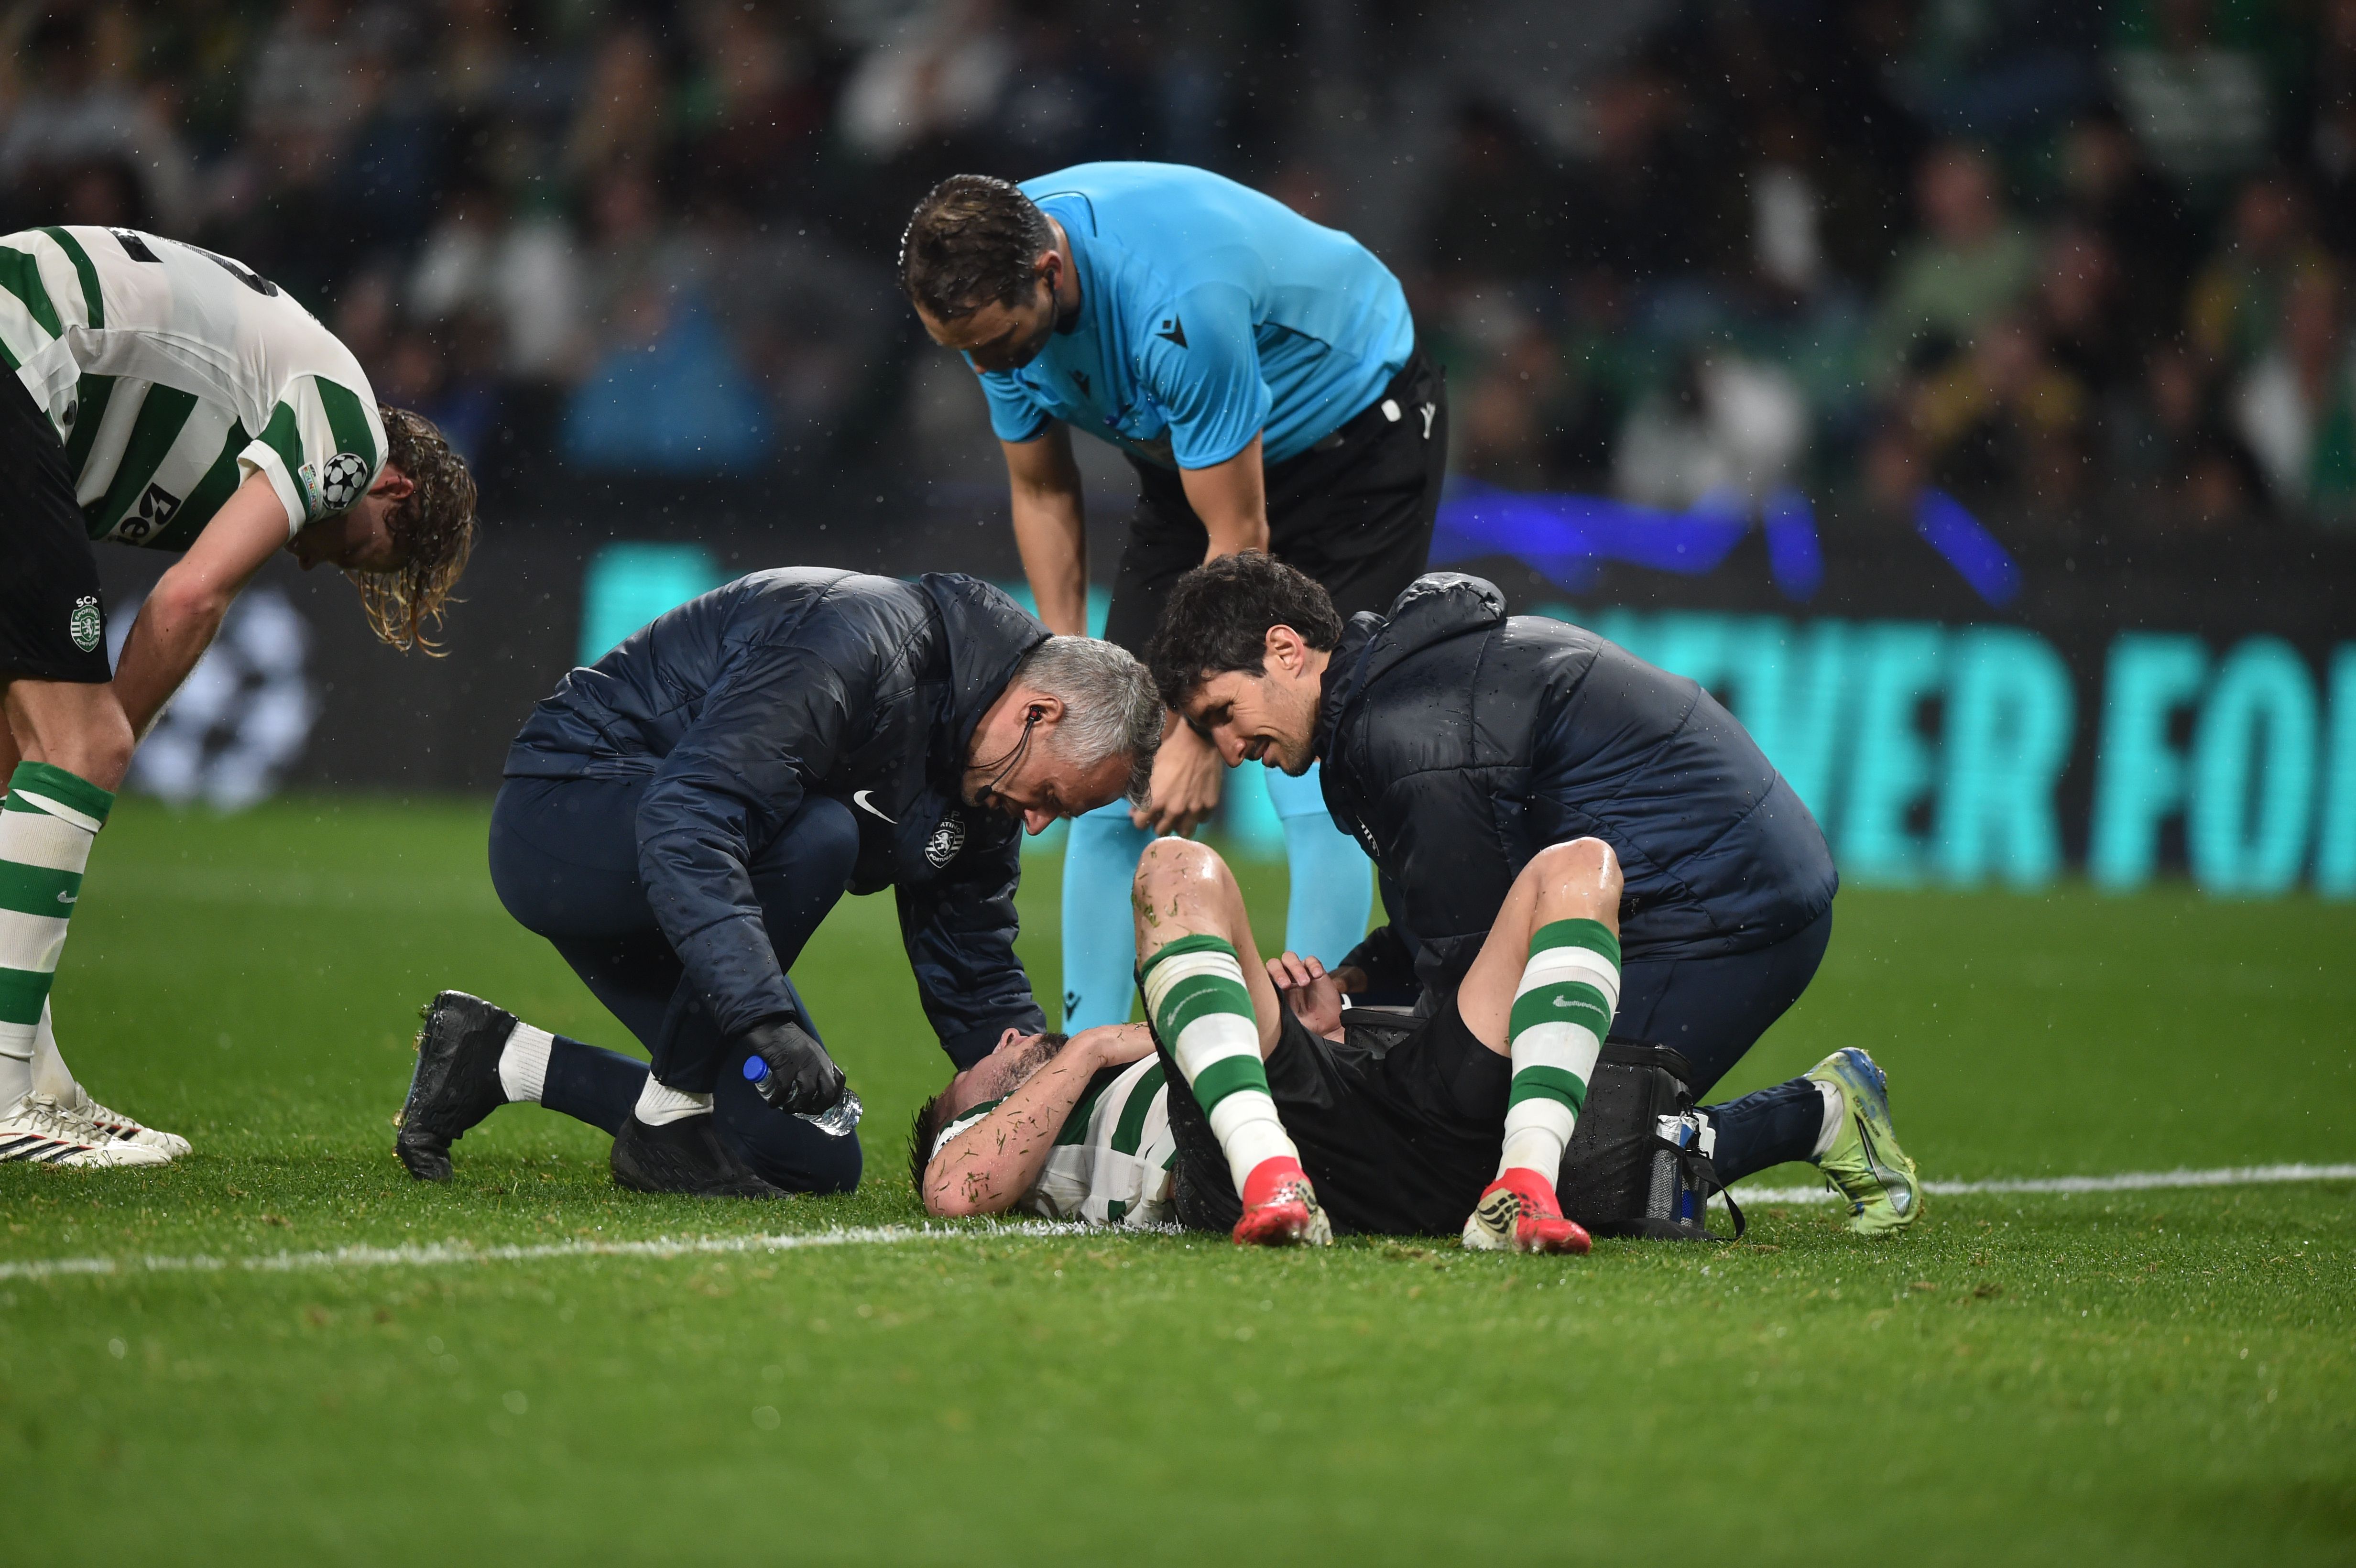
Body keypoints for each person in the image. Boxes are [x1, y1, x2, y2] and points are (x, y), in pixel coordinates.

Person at [1145, 554, 1924, 1239]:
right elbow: (1458, 926)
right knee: (1535, 1120)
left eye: (1223, 714)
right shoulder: (1398, 700)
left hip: (1723, 917)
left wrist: (1345, 1057)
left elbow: (1467, 994)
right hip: (1713, 888)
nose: (1230, 751)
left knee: (1551, 1156)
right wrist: (1354, 985)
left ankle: (1819, 1114)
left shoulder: (1408, 736)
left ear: (1285, 651)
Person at [393, 568, 1163, 1197]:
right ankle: (667, 1120)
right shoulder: (858, 641)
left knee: (812, 1158)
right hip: (570, 823)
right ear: (1039, 711)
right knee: (818, 836)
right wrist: (762, 1015)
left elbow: (975, 975)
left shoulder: (992, 776)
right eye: (1054, 799)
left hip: (694, 893)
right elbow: (689, 820)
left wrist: (1052, 1097)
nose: (1037, 826)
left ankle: (496, 1058)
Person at [896, 165, 1447, 1033]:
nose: (984, 367)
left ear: (1050, 273)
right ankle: (1085, 1066)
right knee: (1110, 762)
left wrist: (1193, 728)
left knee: (1314, 758)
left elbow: (1242, 541)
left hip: (1354, 451)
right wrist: (1066, 668)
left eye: (1000, 348)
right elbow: (1043, 493)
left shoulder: (1177, 303)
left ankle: (1318, 1066)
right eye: (963, 349)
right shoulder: (989, 291)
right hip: (1192, 454)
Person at [0, 224, 476, 1166]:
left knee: (21, 775)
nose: (316, 554)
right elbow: (189, 596)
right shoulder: (347, 435)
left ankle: (39, 1083)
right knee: (76, 748)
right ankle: (4, 1092)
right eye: (361, 547)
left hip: (24, 357)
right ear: (390, 483)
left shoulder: (234, 429)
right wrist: (99, 754)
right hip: (16, 354)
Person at [910, 832, 1627, 1252]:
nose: (1006, 1036)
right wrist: (1088, 1049)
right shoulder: (997, 1129)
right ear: (959, 1117)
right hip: (1234, 1161)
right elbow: (953, 1196)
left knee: (1578, 866)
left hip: (1394, 1136)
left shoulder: (1179, 1037)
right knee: (1168, 866)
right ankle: (1269, 1173)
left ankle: (1526, 1182)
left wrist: (1320, 1029)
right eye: (969, 1076)